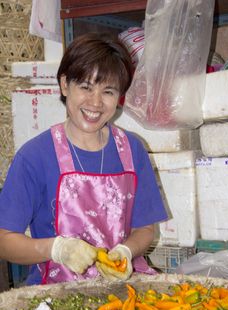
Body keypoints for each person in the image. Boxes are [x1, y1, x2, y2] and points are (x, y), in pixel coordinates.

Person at [0, 32, 167, 285]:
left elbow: (145, 230)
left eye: (108, 91)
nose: (96, 102)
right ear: (65, 84)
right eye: (86, 87)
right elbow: (4, 240)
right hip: (57, 293)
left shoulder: (132, 150)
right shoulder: (35, 156)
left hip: (122, 287)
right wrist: (57, 249)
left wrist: (126, 252)